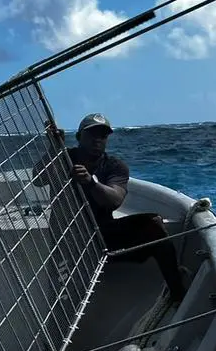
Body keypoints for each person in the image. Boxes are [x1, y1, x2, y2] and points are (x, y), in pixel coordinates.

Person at [33, 113, 187, 302]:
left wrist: (91, 183)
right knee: (61, 300)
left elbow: (115, 199)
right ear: (80, 136)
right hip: (68, 239)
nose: (98, 139)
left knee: (153, 225)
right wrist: (54, 148)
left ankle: (177, 293)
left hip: (101, 237)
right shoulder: (64, 158)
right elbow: (38, 179)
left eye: (103, 136)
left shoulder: (115, 166)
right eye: (92, 134)